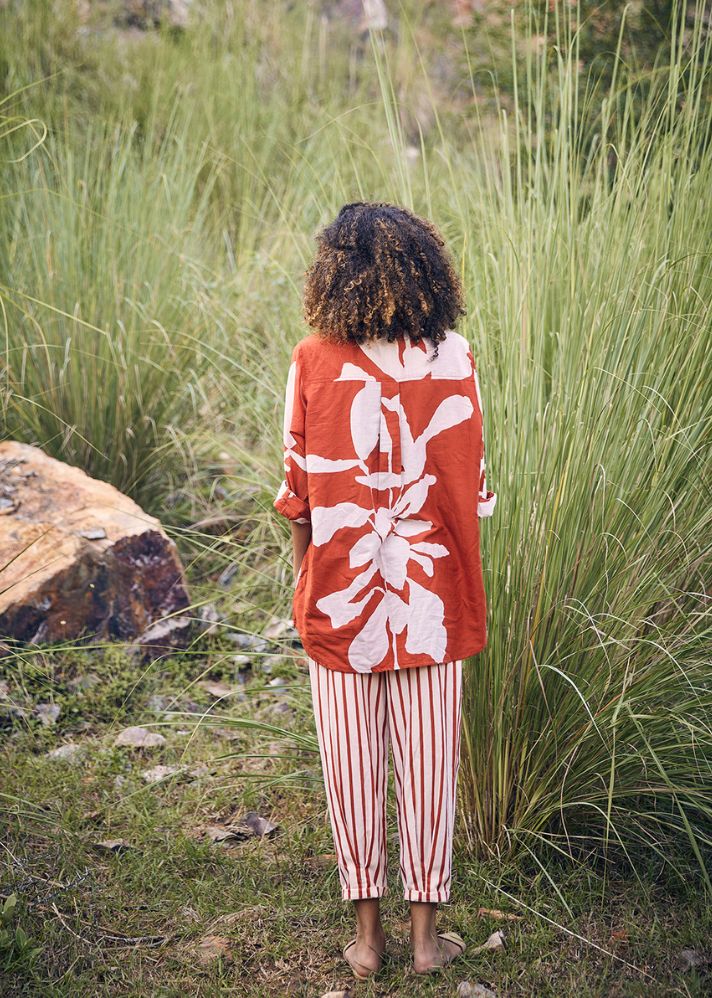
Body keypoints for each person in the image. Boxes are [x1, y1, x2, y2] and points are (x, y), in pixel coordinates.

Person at [273, 201, 496, 979]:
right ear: (426, 267)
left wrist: (306, 575)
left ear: (334, 272)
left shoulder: (312, 360)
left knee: (351, 768)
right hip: (437, 597)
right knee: (432, 767)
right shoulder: (457, 357)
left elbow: (298, 491)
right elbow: (471, 491)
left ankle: (368, 944)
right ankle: (429, 942)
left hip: (340, 598)